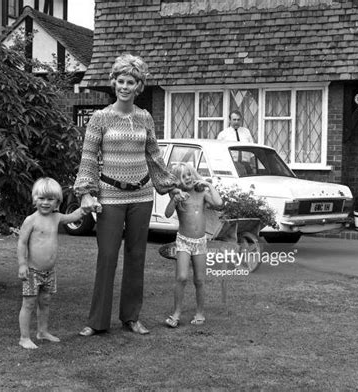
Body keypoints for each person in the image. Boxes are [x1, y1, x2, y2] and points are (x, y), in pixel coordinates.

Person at [74, 53, 186, 337]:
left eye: (131, 81)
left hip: (142, 196)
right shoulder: (100, 118)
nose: (125, 86)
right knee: (108, 256)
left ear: (139, 86)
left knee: (136, 257)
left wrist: (169, 184)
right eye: (121, 80)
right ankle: (97, 322)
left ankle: (131, 318)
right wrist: (87, 193)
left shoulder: (145, 117)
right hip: (110, 195)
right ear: (114, 83)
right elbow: (88, 157)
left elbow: (154, 155)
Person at [17, 177, 86, 349]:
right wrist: (22, 264)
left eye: (50, 199)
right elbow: (22, 243)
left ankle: (42, 332)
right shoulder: (31, 220)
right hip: (32, 271)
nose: (46, 203)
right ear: (35, 199)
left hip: (49, 271)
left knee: (45, 301)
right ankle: (24, 337)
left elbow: (74, 216)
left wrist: (87, 205)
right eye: (42, 198)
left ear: (57, 202)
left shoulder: (56, 217)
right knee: (29, 303)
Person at [164, 163, 223, 328]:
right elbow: (168, 214)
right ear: (178, 181)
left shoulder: (201, 194)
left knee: (199, 279)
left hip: (200, 242)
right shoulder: (179, 195)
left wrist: (209, 185)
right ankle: (176, 313)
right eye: (183, 176)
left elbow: (218, 203)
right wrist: (174, 200)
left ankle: (200, 312)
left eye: (189, 174)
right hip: (183, 241)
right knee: (181, 277)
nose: (188, 178)